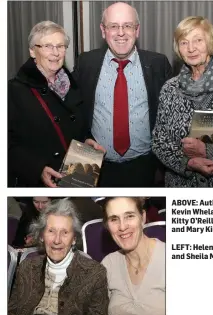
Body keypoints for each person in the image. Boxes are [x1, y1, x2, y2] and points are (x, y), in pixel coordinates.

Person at [73, 2, 172, 187]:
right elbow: (69, 108)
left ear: (137, 30)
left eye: (127, 25)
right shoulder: (86, 63)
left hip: (144, 165)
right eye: (113, 26)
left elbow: (172, 115)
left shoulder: (158, 64)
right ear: (103, 31)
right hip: (94, 164)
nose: (121, 33)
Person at [8, 21, 102, 187]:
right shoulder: (14, 91)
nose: (56, 52)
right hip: (40, 186)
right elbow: (6, 144)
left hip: (76, 178)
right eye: (47, 46)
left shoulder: (74, 85)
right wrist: (37, 169)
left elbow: (80, 126)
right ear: (32, 51)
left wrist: (86, 140)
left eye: (60, 46)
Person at [152, 16, 213, 187]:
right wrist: (188, 163)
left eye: (198, 40)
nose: (191, 48)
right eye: (184, 43)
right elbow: (158, 141)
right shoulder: (170, 88)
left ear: (210, 42)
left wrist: (207, 151)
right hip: (182, 189)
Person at [8, 199, 109, 315]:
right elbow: (11, 313)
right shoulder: (27, 267)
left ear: (74, 239)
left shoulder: (94, 274)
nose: (57, 240)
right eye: (51, 231)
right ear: (42, 236)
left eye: (65, 233)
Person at [101, 197, 165, 315]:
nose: (122, 227)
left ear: (143, 218)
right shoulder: (109, 263)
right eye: (114, 219)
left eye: (129, 216)